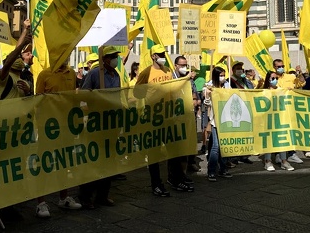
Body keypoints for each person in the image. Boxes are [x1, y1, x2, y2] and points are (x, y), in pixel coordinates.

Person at [135, 44, 193, 195]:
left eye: (164, 53)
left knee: (174, 151)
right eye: (160, 54)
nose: (162, 56)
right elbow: (137, 92)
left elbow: (173, 89)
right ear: (153, 56)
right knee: (154, 154)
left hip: (168, 117)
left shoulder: (168, 70)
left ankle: (175, 180)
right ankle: (156, 184)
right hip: (153, 119)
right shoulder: (146, 73)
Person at [34, 63, 82, 217]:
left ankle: (63, 198)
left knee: (64, 161)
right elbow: (38, 101)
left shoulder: (72, 73)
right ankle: (41, 203)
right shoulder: (44, 74)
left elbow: (74, 99)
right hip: (48, 128)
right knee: (45, 163)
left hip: (66, 126)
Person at [79, 46, 122, 208]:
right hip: (96, 124)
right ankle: (85, 196)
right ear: (104, 59)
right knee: (93, 161)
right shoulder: (95, 74)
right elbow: (83, 94)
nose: (115, 59)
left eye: (116, 56)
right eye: (112, 56)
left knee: (109, 161)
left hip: (111, 124)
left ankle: (103, 195)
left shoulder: (116, 75)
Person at [204, 67, 234, 181]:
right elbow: (206, 103)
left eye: (224, 75)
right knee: (216, 147)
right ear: (216, 76)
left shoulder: (227, 84)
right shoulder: (209, 86)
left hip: (227, 119)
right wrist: (208, 96)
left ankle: (222, 169)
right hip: (216, 120)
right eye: (221, 75)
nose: (223, 77)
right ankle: (211, 171)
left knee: (223, 145)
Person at [273, 59, 304, 164]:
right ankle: (278, 154)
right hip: (278, 108)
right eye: (278, 66)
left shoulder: (290, 77)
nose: (281, 68)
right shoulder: (273, 77)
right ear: (274, 67)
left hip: (290, 108)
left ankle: (291, 154)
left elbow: (301, 83)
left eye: (282, 66)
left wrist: (300, 73)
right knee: (279, 132)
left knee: (290, 131)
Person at [262, 71, 294, 171]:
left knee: (282, 139)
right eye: (272, 78)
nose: (274, 80)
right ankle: (268, 162)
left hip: (280, 118)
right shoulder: (263, 91)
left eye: (276, 78)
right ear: (267, 79)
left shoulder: (281, 90)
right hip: (268, 119)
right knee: (268, 140)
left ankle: (284, 161)